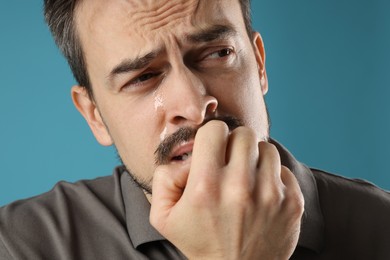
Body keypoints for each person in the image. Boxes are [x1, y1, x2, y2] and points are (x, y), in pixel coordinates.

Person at [0, 0, 389, 259]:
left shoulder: (381, 228)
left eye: (218, 53)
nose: (194, 105)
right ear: (94, 115)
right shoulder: (20, 245)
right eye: (143, 77)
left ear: (259, 64)